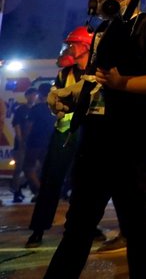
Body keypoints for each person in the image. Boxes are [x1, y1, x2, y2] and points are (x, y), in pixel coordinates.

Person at [43, 0, 146, 279]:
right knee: (77, 226)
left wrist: (124, 84)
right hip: (95, 142)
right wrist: (70, 94)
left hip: (132, 144)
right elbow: (98, 82)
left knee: (136, 223)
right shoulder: (101, 33)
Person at [25, 27, 98, 248]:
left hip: (87, 136)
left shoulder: (98, 73)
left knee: (85, 186)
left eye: (73, 44)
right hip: (62, 135)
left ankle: (86, 227)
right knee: (50, 182)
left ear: (85, 48)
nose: (68, 48)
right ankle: (38, 229)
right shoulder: (64, 74)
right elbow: (56, 98)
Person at [10, 87, 39, 203]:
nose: (33, 97)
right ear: (27, 96)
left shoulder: (37, 110)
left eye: (35, 95)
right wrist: (20, 140)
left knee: (33, 168)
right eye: (31, 95)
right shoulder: (21, 109)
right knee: (19, 168)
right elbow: (16, 125)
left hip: (33, 145)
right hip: (22, 144)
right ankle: (15, 191)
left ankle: (22, 186)